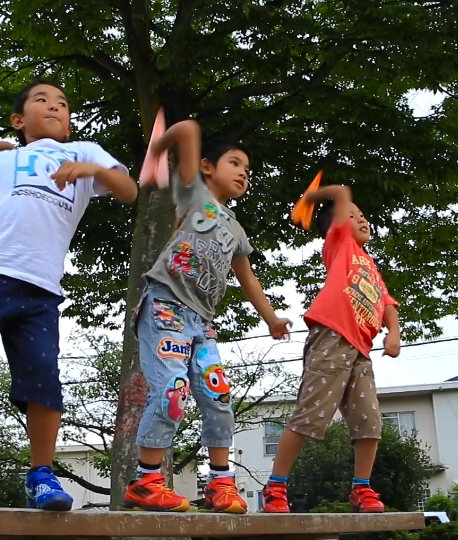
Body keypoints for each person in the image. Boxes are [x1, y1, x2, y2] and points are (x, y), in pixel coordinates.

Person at [0, 80, 138, 510]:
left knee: (42, 374)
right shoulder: (10, 160)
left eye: (63, 103)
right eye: (42, 101)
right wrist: (3, 143)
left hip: (41, 286)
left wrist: (96, 172)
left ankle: (40, 474)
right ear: (20, 119)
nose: (56, 107)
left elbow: (130, 191)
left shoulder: (84, 151)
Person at [122, 118, 292, 514]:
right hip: (165, 306)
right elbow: (187, 130)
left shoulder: (235, 227)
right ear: (206, 167)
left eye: (248, 170)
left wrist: (271, 319)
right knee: (172, 390)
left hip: (202, 321)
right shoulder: (193, 193)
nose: (244, 173)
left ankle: (219, 483)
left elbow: (248, 279)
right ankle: (146, 482)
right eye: (235, 163)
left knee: (218, 397)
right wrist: (159, 147)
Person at [261, 183, 401, 513]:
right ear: (337, 225)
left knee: (370, 423)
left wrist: (393, 333)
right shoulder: (340, 245)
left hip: (361, 350)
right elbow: (340, 193)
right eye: (353, 215)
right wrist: (309, 198)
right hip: (332, 338)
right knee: (310, 415)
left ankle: (362, 489)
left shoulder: (371, 266)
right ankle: (276, 486)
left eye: (363, 215)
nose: (361, 219)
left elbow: (387, 303)